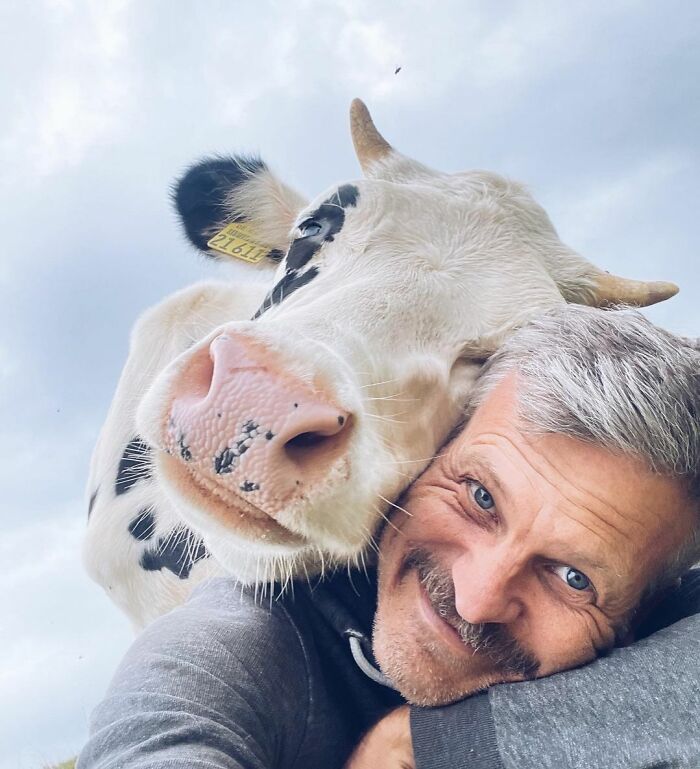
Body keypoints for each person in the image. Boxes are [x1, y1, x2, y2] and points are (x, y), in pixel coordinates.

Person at [77, 305, 700, 769]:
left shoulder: (666, 619)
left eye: (573, 578)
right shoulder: (248, 639)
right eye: (480, 497)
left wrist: (436, 744)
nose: (477, 598)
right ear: (427, 458)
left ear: (648, 609)